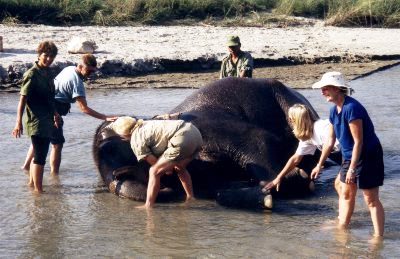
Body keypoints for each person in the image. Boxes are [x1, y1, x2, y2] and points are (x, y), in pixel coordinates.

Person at [311, 71, 385, 237]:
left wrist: (352, 169)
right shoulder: (333, 111)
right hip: (348, 156)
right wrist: (319, 164)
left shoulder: (352, 108)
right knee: (345, 192)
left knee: (370, 199)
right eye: (322, 89)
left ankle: (378, 237)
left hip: (368, 155)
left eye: (326, 88)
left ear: (338, 89)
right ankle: (343, 227)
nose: (322, 92)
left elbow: (359, 141)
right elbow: (329, 142)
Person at [21, 54, 118, 174]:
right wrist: (105, 117)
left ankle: (25, 167)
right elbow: (84, 109)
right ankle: (55, 176)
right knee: (57, 144)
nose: (90, 74)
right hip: (52, 111)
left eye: (93, 71)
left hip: (41, 105)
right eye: (88, 71)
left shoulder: (69, 69)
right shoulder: (77, 84)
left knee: (40, 139)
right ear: (80, 66)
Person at [109, 116, 203, 209]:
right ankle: (191, 197)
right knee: (179, 167)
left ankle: (148, 205)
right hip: (194, 133)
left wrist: (166, 170)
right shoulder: (146, 123)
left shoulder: (136, 139)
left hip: (182, 139)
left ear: (123, 134)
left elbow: (153, 161)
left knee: (154, 171)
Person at [12, 41, 60, 193]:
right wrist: (18, 122)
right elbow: (22, 99)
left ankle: (32, 185)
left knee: (38, 155)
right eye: (46, 56)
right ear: (39, 55)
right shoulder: (32, 74)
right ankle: (39, 192)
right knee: (40, 156)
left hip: (47, 119)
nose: (48, 59)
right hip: (36, 121)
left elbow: (50, 98)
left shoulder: (47, 72)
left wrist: (56, 114)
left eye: (52, 56)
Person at [263, 103, 342, 193]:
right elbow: (295, 159)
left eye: (291, 118)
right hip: (346, 158)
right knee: (342, 186)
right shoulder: (307, 137)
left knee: (341, 185)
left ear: (297, 120)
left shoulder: (321, 127)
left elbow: (328, 144)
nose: (289, 120)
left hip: (353, 153)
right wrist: (278, 178)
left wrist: (319, 166)